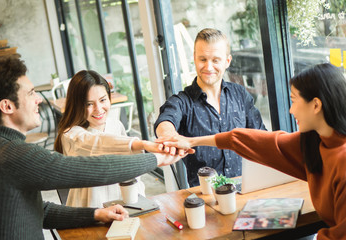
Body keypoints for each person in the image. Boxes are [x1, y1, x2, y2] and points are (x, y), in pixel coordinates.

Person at [0, 56, 189, 240]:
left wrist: (94, 214)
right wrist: (155, 158)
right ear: (7, 106)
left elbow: (39, 210)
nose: (39, 98)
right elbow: (97, 167)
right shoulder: (13, 155)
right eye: (31, 93)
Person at [161, 63, 346, 239]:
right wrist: (191, 141)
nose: (290, 110)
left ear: (316, 105)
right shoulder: (314, 142)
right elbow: (250, 141)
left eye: (294, 100)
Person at [154, 28, 266, 187]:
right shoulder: (182, 101)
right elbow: (165, 120)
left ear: (227, 61)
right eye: (203, 59)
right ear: (194, 58)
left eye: (215, 60)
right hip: (206, 198)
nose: (208, 67)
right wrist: (170, 136)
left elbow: (261, 137)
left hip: (248, 188)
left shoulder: (240, 94)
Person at [54, 70, 158, 207]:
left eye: (103, 100)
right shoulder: (71, 135)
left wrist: (140, 200)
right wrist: (140, 144)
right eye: (89, 104)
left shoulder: (115, 124)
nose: (98, 109)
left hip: (124, 203)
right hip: (90, 209)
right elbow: (96, 143)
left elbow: (132, 170)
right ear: (77, 105)